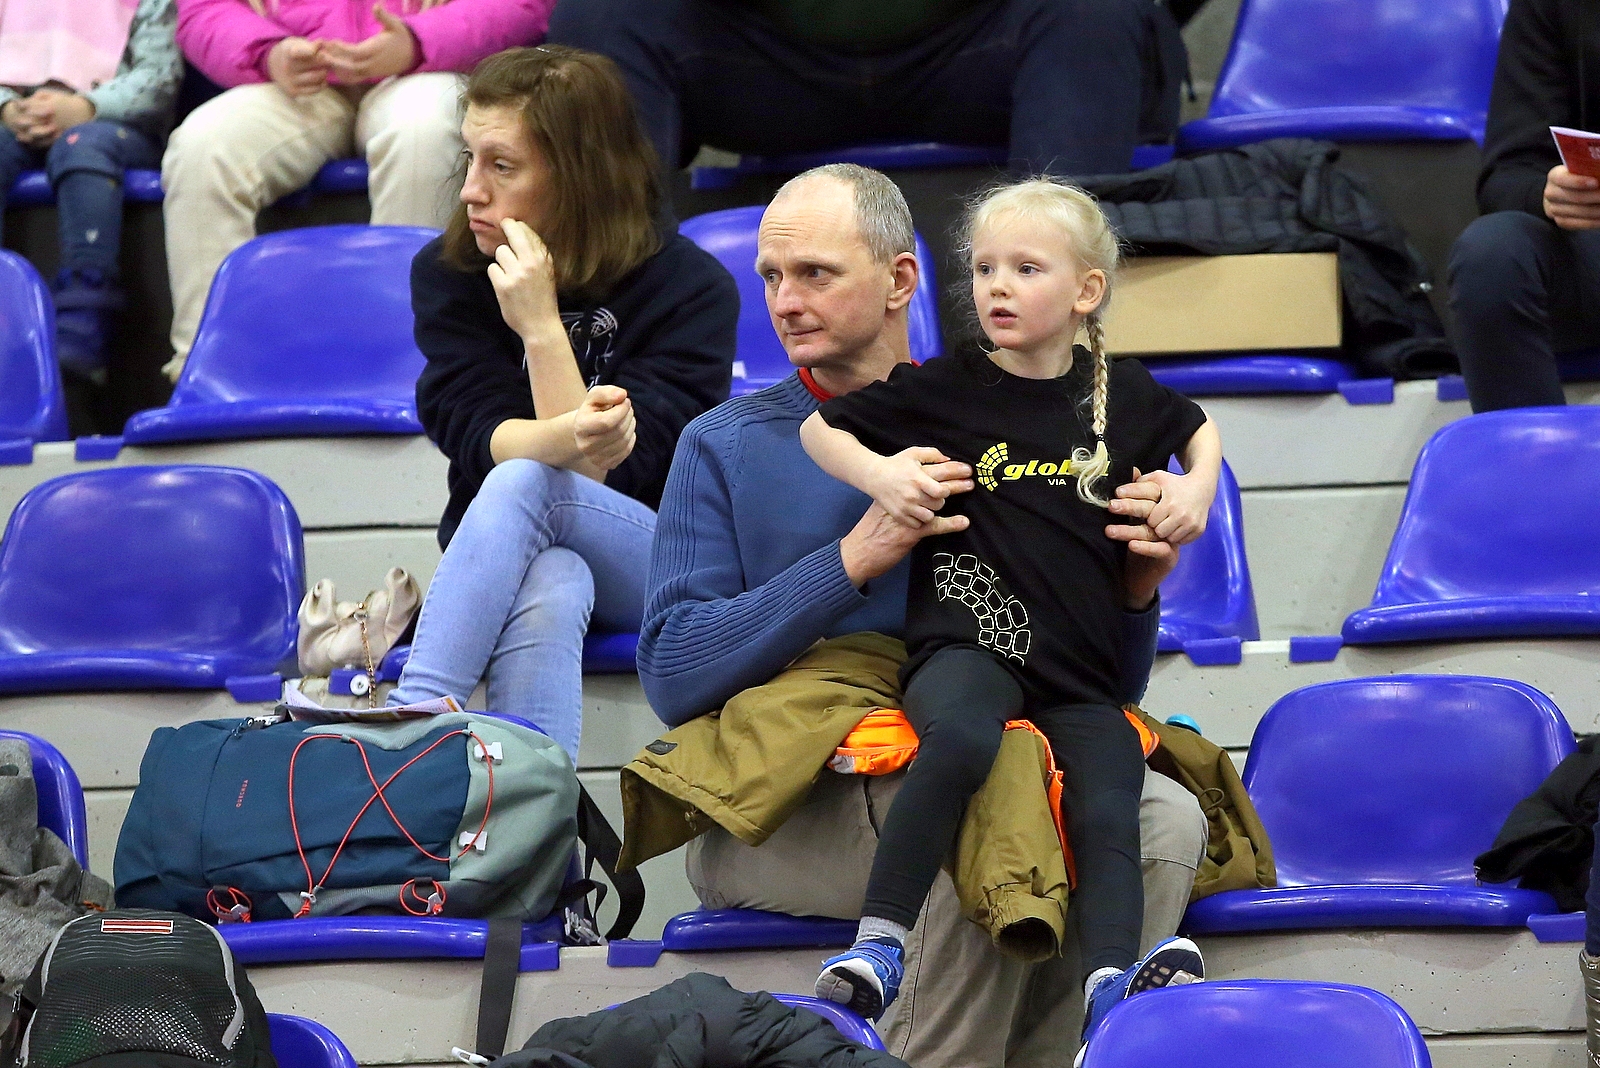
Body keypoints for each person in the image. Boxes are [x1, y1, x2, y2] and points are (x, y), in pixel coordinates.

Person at [639, 163, 1208, 1067]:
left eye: (815, 274)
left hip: (981, 739)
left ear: (901, 278)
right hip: (792, 796)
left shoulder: (1019, 412)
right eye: (772, 277)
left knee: (1166, 821)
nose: (785, 302)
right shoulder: (724, 442)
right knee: (997, 815)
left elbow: (1096, 683)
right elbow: (673, 674)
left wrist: (1136, 590)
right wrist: (850, 560)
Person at [798, 177, 1221, 1051]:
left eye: (1026, 269)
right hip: (967, 646)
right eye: (985, 268)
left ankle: (1109, 985)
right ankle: (878, 947)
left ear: (1085, 291)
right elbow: (819, 430)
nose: (997, 286)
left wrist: (1197, 492)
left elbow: (1199, 429)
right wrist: (883, 476)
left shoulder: (1123, 393)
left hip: (1078, 674)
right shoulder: (949, 386)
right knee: (959, 739)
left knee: (1111, 795)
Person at [386, 46, 737, 760]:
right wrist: (578, 432)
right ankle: (536, 814)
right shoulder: (452, 274)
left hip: (656, 561)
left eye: (502, 166)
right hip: (514, 551)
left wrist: (543, 330)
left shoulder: (690, 289)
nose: (470, 191)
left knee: (528, 482)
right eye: (470, 159)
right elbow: (475, 434)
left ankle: (406, 732)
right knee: (553, 576)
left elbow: (608, 477)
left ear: (578, 174)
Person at [159, 0, 553, 381]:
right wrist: (266, 52)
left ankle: (415, 368)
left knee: (423, 133)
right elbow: (203, 8)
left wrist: (418, 41)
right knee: (202, 146)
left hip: (427, 67)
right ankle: (207, 373)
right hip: (292, 82)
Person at [544, 0, 1186, 183]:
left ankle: (1056, 321)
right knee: (604, 15)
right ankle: (615, 319)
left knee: (1093, 9)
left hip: (981, 45)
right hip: (764, 60)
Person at [0, 0, 182, 383]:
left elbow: (158, 80)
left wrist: (86, 107)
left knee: (82, 145)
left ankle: (86, 305)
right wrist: (8, 109)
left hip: (116, 126)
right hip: (16, 120)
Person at [1446, 0, 1600, 412]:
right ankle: (1527, 451)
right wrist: (1549, 196)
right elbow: (1507, 174)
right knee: (1491, 252)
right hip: (1591, 247)